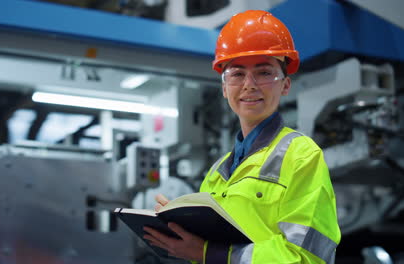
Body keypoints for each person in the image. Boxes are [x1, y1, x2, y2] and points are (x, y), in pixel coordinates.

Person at [143, 10, 341, 264]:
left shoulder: (302, 156)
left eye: (264, 73)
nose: (249, 84)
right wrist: (179, 226)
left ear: (285, 85)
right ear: (224, 88)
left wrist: (209, 253)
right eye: (237, 74)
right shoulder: (217, 174)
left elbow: (308, 257)